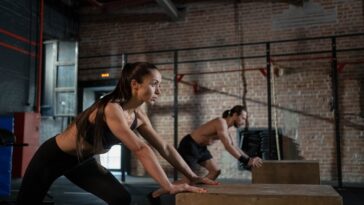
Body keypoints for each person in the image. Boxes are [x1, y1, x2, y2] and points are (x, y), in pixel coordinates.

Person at [16, 62, 216, 205]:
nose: (159, 90)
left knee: (120, 198)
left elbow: (164, 147)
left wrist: (191, 176)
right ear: (135, 84)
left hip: (82, 161)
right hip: (52, 157)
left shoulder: (137, 115)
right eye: (154, 83)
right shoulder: (112, 109)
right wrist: (169, 186)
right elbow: (140, 148)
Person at [149, 105, 263, 201]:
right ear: (234, 115)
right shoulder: (221, 122)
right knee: (188, 180)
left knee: (215, 171)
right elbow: (228, 146)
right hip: (190, 145)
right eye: (243, 118)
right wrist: (246, 161)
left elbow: (234, 146)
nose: (244, 121)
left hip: (201, 148)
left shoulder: (225, 128)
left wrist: (250, 158)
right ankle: (155, 194)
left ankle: (195, 193)